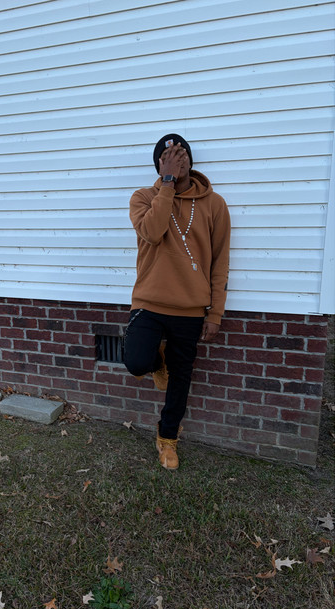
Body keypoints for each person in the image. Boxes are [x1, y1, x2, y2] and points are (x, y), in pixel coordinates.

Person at [123, 133, 231, 470]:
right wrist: (167, 183)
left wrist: (215, 313)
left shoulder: (214, 204)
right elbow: (152, 233)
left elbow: (220, 262)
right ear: (159, 164)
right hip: (148, 301)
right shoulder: (143, 197)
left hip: (191, 308)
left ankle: (168, 437)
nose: (177, 160)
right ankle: (159, 360)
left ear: (191, 160)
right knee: (136, 362)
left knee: (181, 377)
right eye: (169, 156)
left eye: (182, 154)